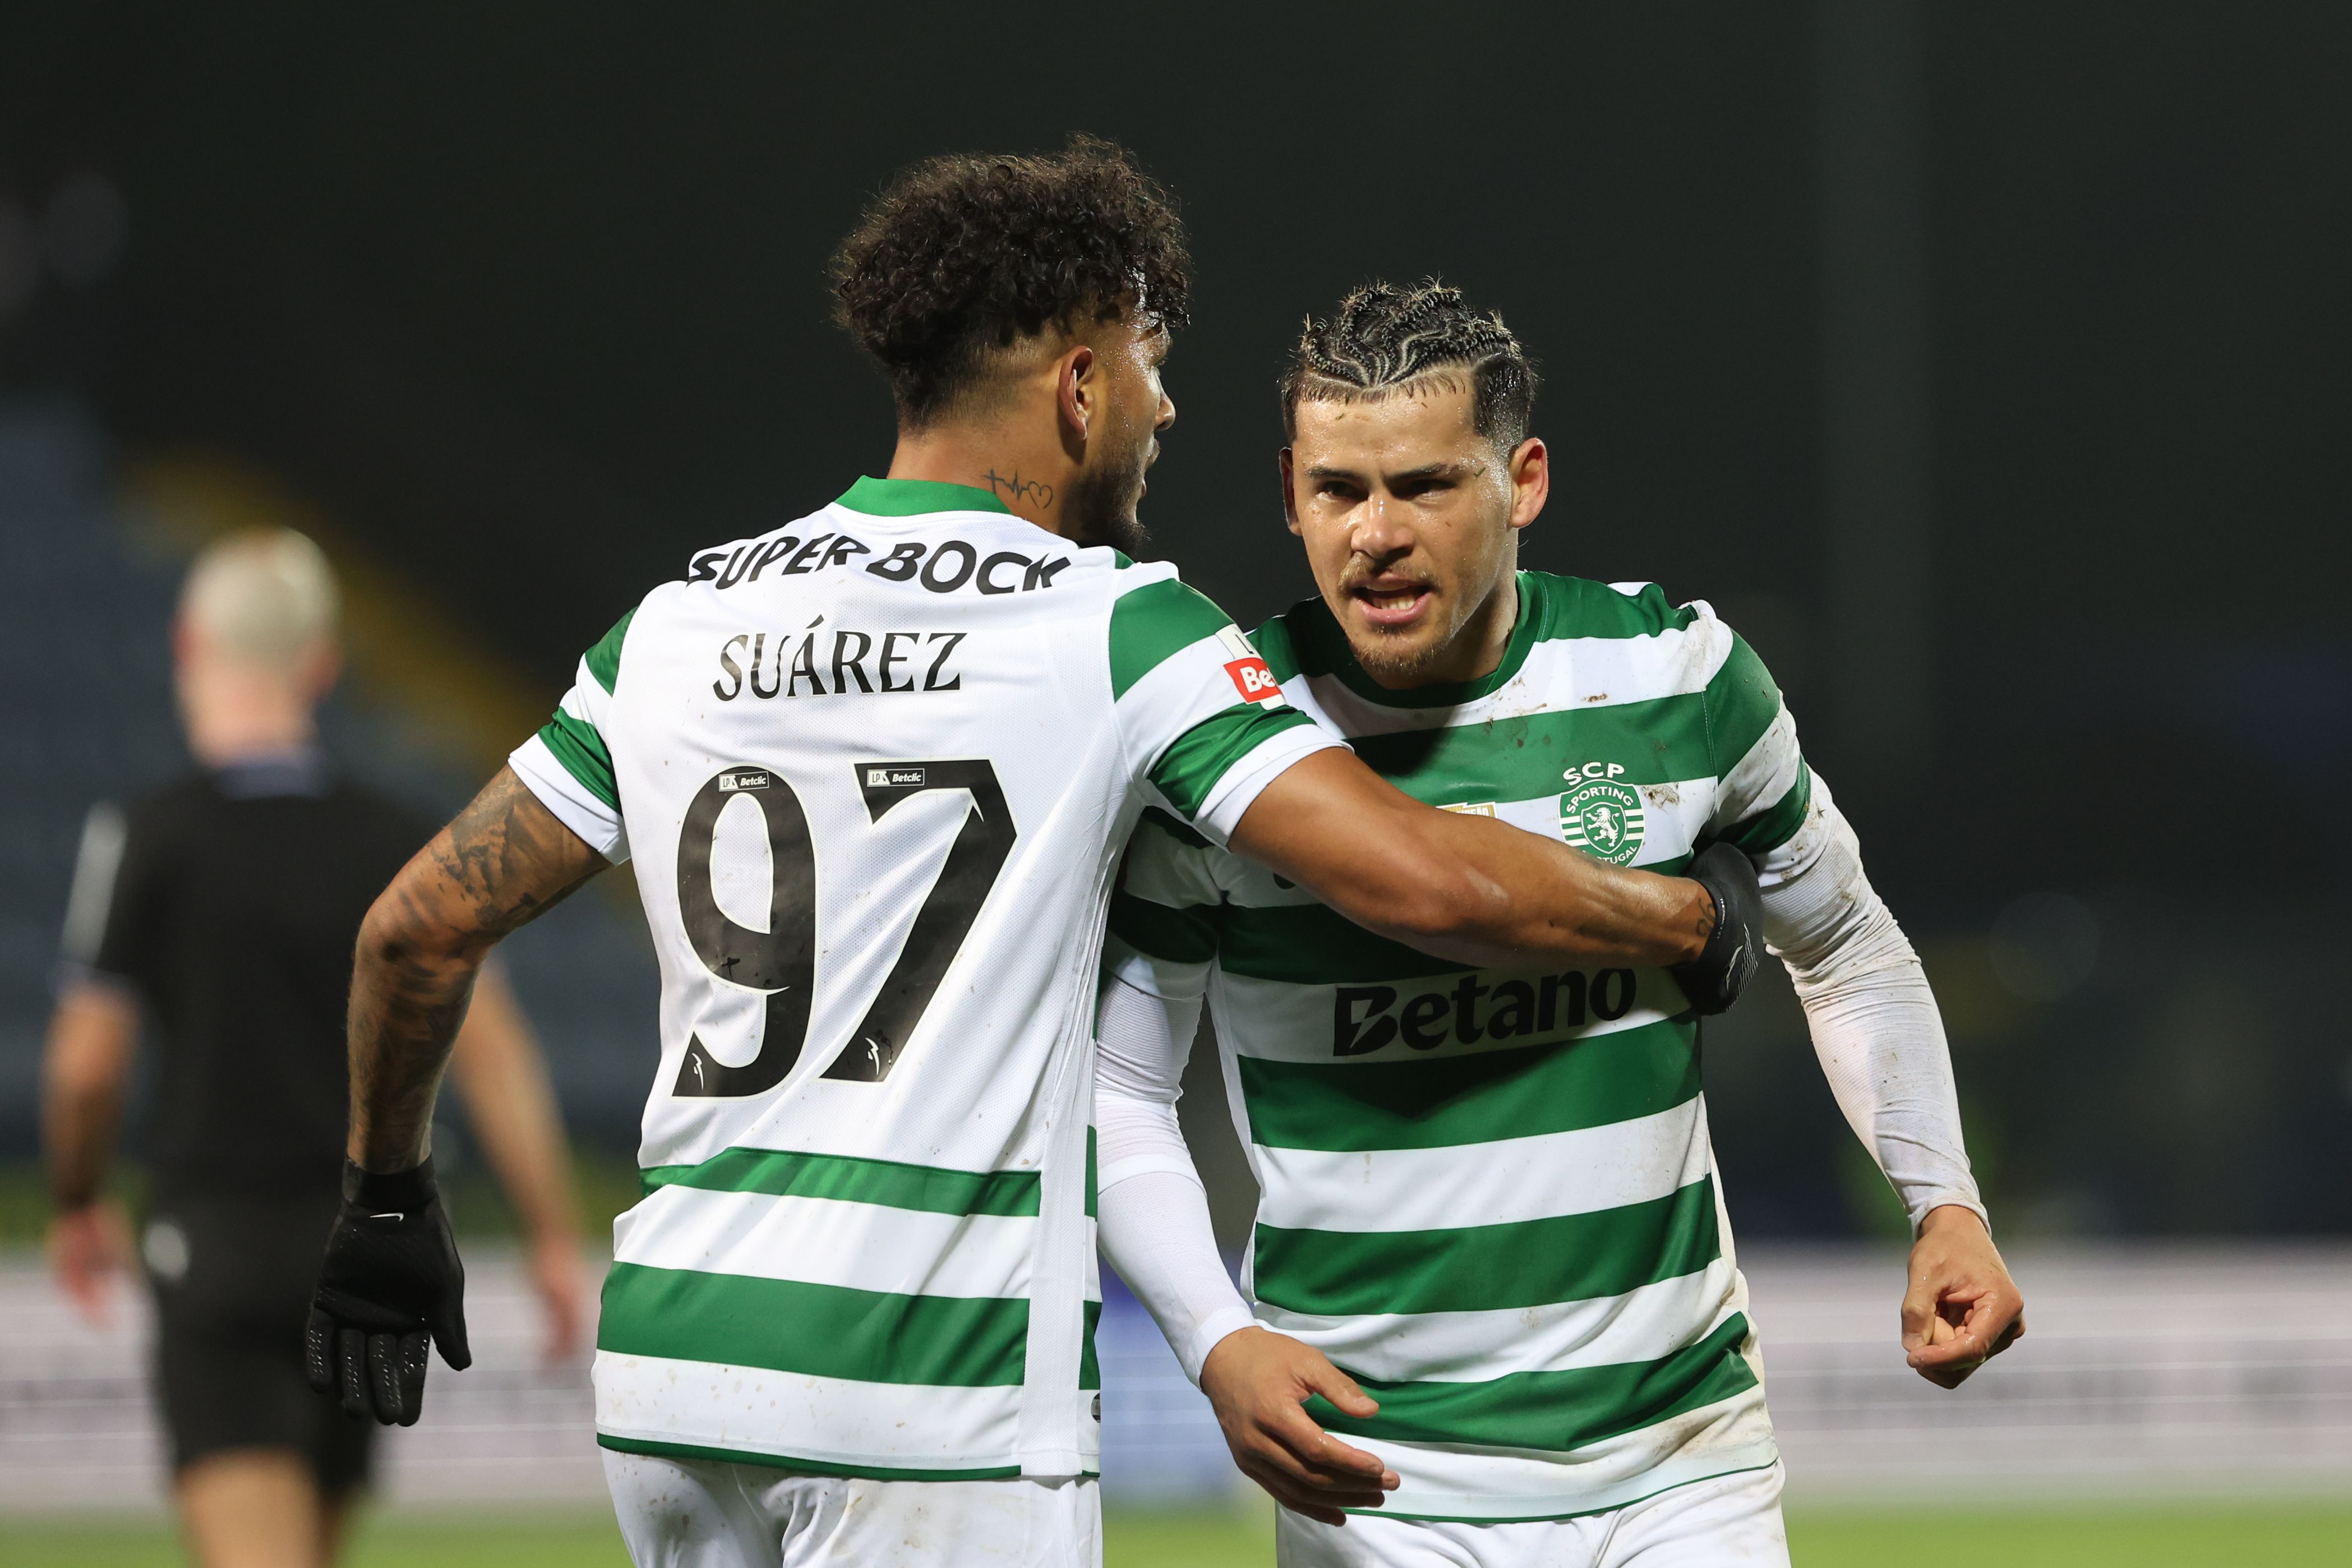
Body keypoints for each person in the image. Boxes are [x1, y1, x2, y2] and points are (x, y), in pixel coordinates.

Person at [300, 140, 1765, 1568]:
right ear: (1079, 387)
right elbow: (1419, 878)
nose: (1166, 407)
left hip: (679, 1374)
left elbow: (415, 929)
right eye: (1149, 364)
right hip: (931, 1389)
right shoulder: (1117, 627)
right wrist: (1681, 918)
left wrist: (384, 1196)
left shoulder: (680, 622)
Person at [1093, 281, 2028, 1567]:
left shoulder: (1678, 675)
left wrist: (1945, 1205)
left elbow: (1850, 952)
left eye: (1423, 486)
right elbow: (1122, 1088)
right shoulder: (1222, 740)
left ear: (1523, 480)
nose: (1374, 534)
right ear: (1289, 491)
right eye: (1337, 491)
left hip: (1679, 1465)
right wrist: (1215, 1337)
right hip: (1379, 1486)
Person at [42, 528, 587, 1568]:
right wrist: (553, 1234)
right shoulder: (403, 838)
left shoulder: (147, 834)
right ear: (323, 662)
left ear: (186, 644)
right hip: (368, 1245)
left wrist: (76, 1197)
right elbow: (495, 1051)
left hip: (222, 1244)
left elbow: (84, 1066)